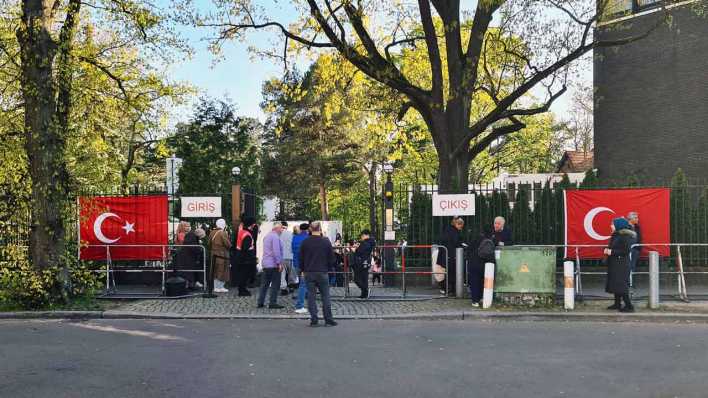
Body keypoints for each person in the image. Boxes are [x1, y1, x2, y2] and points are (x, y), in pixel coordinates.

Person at [299, 221, 337, 327]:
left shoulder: (305, 242)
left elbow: (301, 258)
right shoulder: (325, 241)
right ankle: (328, 319)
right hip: (322, 271)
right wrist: (328, 268)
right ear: (320, 229)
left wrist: (302, 270)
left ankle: (314, 319)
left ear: (310, 229)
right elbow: (332, 258)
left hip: (309, 272)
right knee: (325, 296)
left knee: (311, 296)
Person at [605, 217, 636, 313]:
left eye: (612, 224)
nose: (611, 226)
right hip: (616, 263)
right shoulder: (616, 235)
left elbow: (626, 251)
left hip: (621, 264)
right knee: (616, 283)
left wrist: (611, 252)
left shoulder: (624, 236)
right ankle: (617, 303)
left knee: (621, 284)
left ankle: (629, 306)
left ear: (618, 225)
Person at [258, 222, 285, 309]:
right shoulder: (275, 237)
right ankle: (272, 303)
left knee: (264, 284)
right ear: (277, 228)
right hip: (273, 264)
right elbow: (276, 251)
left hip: (266, 264)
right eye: (281, 228)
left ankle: (260, 302)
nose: (282, 230)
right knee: (275, 284)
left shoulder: (267, 236)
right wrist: (279, 263)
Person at [436, 216, 465, 295]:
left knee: (445, 272)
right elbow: (456, 242)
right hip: (451, 255)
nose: (461, 228)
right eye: (461, 226)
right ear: (457, 224)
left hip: (444, 254)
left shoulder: (447, 229)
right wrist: (462, 245)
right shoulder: (454, 232)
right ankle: (451, 290)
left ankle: (445, 289)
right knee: (451, 273)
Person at [468, 226, 495, 307]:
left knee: (474, 282)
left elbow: (469, 249)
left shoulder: (476, 238)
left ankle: (474, 301)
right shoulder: (490, 241)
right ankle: (480, 298)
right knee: (481, 282)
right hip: (484, 264)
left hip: (473, 263)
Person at [234, 217, 258, 296]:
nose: (254, 225)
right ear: (250, 225)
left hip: (239, 257)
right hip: (245, 259)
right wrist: (252, 258)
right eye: (253, 224)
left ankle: (242, 289)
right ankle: (242, 290)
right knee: (244, 275)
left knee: (242, 275)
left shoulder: (242, 232)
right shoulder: (247, 235)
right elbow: (246, 248)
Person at [175, 224, 205, 289]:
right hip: (187, 257)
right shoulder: (192, 236)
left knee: (188, 271)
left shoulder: (191, 235)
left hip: (187, 256)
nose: (200, 238)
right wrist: (199, 250)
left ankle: (189, 285)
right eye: (201, 237)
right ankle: (188, 285)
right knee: (188, 272)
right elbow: (193, 247)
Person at [291, 223, 310, 314]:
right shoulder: (308, 239)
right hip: (305, 265)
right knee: (304, 285)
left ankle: (306, 301)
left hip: (296, 264)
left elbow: (292, 250)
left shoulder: (294, 237)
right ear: (308, 229)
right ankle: (300, 305)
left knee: (303, 284)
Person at [209, 218, 231, 293]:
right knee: (222, 269)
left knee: (215, 270)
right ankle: (220, 287)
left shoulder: (212, 232)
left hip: (213, 253)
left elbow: (209, 243)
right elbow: (228, 244)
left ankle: (215, 287)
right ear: (223, 225)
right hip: (222, 254)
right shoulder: (223, 233)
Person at [353, 230, 376, 299]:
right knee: (364, 278)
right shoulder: (370, 242)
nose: (361, 237)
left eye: (362, 236)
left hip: (362, 262)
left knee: (357, 279)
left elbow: (361, 251)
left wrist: (355, 250)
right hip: (366, 261)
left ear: (366, 235)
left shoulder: (366, 242)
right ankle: (364, 294)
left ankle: (365, 291)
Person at [279, 221, 296, 296]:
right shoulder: (291, 234)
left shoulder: (278, 234)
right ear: (287, 226)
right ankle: (291, 286)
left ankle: (283, 288)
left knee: (282, 274)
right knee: (291, 272)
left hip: (281, 257)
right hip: (290, 256)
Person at [627, 211, 642, 287]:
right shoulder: (626, 227)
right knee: (627, 266)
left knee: (633, 266)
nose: (637, 219)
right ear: (630, 219)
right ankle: (627, 282)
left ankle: (631, 282)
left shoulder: (637, 227)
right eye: (635, 218)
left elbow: (639, 238)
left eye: (637, 217)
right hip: (628, 250)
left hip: (635, 249)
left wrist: (638, 248)